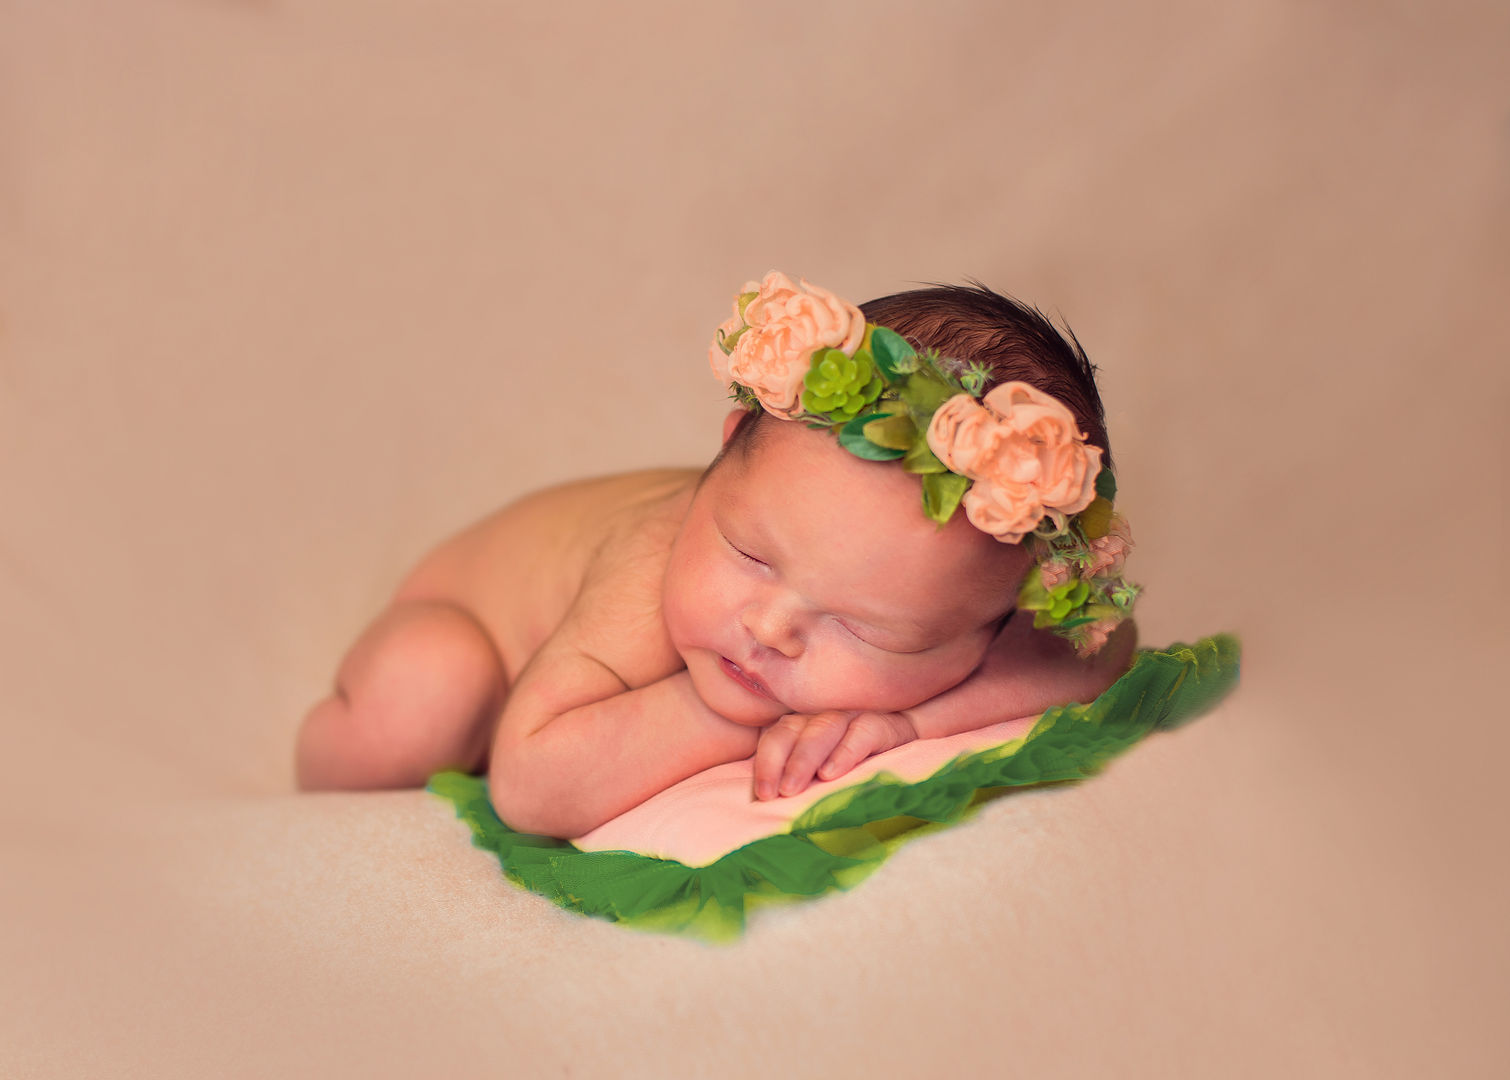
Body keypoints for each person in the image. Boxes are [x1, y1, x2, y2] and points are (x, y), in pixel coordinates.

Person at [296, 272, 1141, 839]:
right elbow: (530, 785)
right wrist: (748, 716)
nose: (770, 628)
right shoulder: (652, 560)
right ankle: (327, 754)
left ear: (1006, 612)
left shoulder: (955, 575)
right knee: (425, 694)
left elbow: (1099, 651)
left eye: (868, 631)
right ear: (729, 445)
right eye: (749, 555)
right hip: (469, 630)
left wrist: (903, 722)